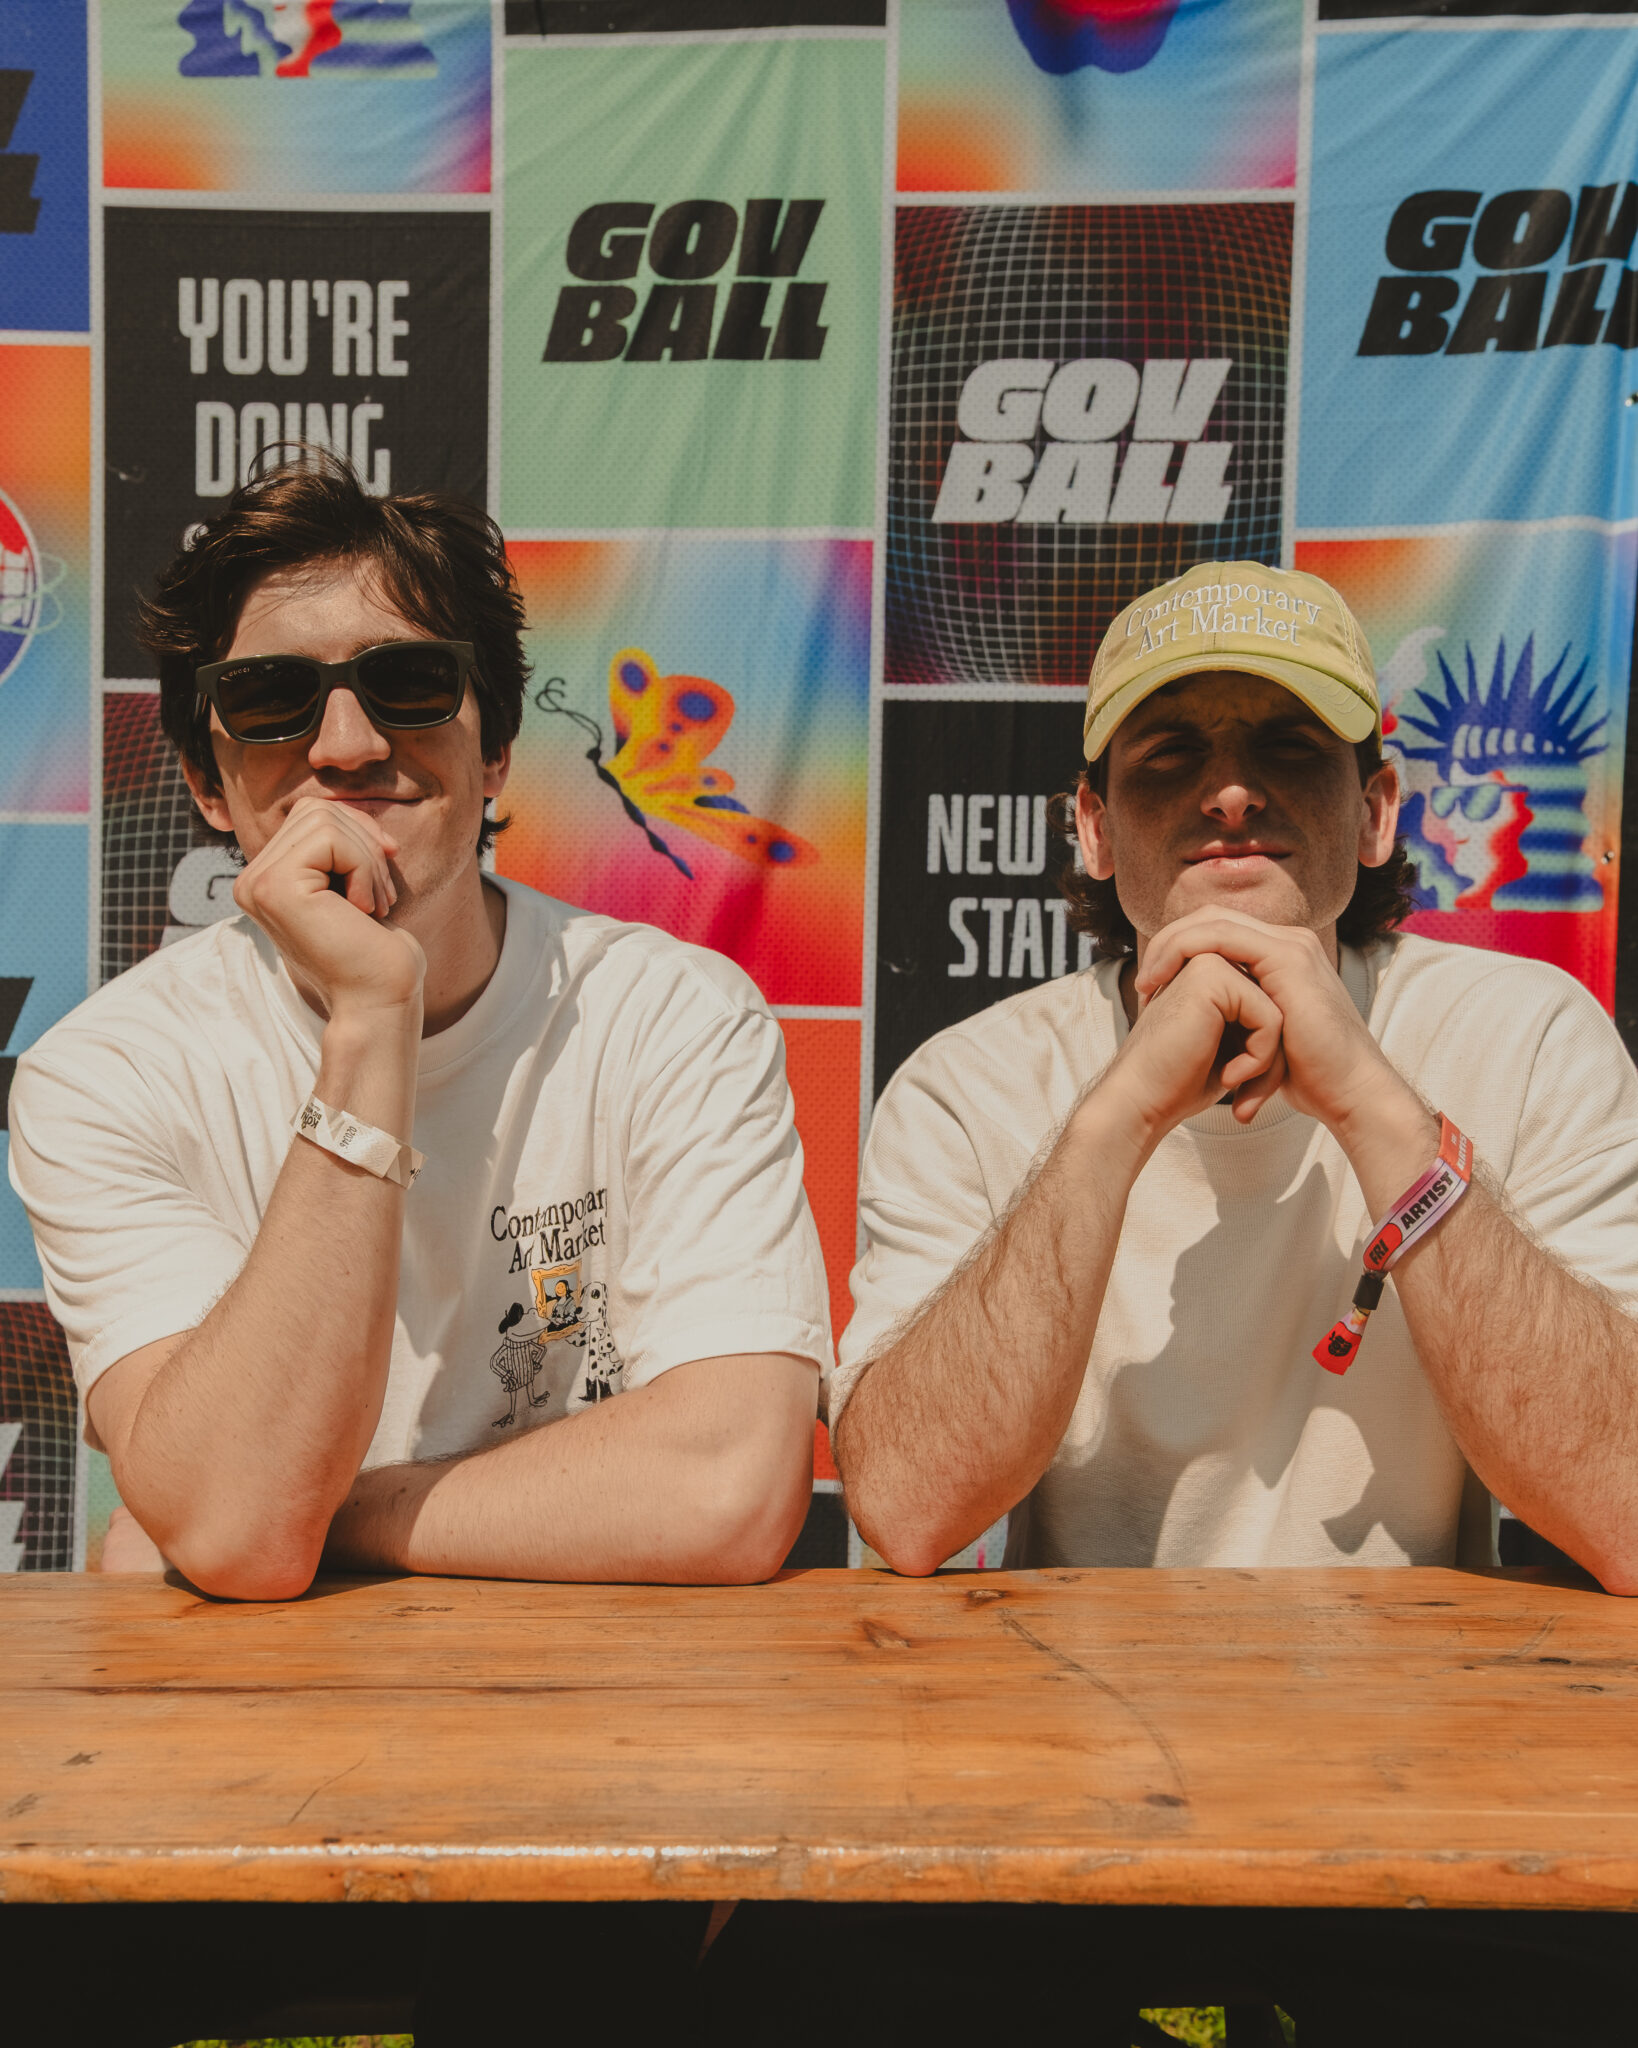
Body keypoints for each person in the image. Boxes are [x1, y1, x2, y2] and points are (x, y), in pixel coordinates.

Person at [800, 557, 1638, 2046]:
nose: (1230, 792)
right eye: (1169, 753)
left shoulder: (1523, 1038)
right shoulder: (975, 1083)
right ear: (1089, 824)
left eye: (1287, 747)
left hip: (1433, 1760)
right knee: (810, 1990)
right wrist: (1121, 1109)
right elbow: (910, 1506)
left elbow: (1624, 1503)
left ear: (1377, 810)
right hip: (1056, 1755)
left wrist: (1368, 1099)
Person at [8, 458, 831, 1604]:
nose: (346, 744)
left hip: (605, 1685)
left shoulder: (673, 1016)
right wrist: (370, 1018)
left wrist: (311, 1510)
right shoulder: (101, 1077)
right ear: (206, 780)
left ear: (494, 751)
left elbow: (727, 1490)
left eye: (407, 681)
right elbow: (240, 1530)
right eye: (271, 696)